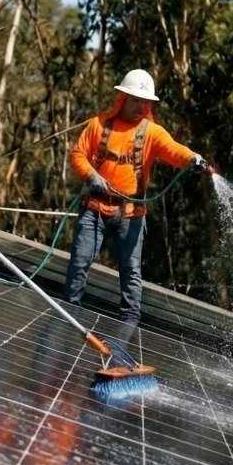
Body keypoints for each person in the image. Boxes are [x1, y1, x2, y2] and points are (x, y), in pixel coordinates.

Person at [65, 69, 208, 325]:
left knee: (131, 271)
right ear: (122, 98)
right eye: (135, 100)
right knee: (80, 261)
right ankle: (69, 312)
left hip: (130, 215)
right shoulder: (98, 124)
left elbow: (174, 150)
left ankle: (130, 324)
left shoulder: (152, 133)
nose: (140, 106)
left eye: (145, 102)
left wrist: (192, 158)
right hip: (95, 208)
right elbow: (78, 154)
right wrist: (92, 176)